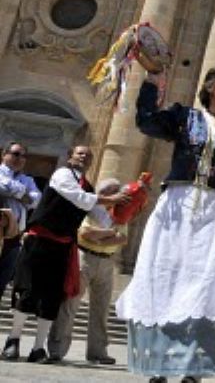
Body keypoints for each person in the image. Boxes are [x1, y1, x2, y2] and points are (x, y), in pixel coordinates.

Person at [115, 64, 215, 383]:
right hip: (178, 208)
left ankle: (193, 367)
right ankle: (158, 365)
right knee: (166, 280)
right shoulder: (185, 118)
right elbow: (147, 122)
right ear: (210, 86)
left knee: (208, 284)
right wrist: (152, 82)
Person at [0, 145, 126, 363]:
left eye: (88, 156)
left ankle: (38, 348)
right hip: (40, 240)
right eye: (80, 153)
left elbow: (102, 216)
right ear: (70, 157)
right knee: (27, 290)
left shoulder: (88, 186)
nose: (84, 157)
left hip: (64, 246)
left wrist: (126, 209)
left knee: (52, 297)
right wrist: (112, 200)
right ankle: (13, 341)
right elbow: (79, 198)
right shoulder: (62, 175)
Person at [47, 178, 129, 365]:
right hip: (85, 258)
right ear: (103, 192)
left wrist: (99, 236)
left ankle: (98, 352)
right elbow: (84, 233)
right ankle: (57, 349)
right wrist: (109, 234)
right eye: (112, 191)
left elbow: (123, 238)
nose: (117, 194)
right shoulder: (88, 207)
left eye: (117, 190)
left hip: (108, 262)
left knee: (101, 309)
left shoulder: (120, 214)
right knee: (70, 303)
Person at [0, 142, 41, 298]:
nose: (20, 159)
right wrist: (24, 194)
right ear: (4, 155)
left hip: (14, 237)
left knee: (2, 279)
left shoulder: (28, 179)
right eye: (16, 154)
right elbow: (2, 187)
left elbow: (36, 200)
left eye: (23, 156)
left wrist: (14, 190)